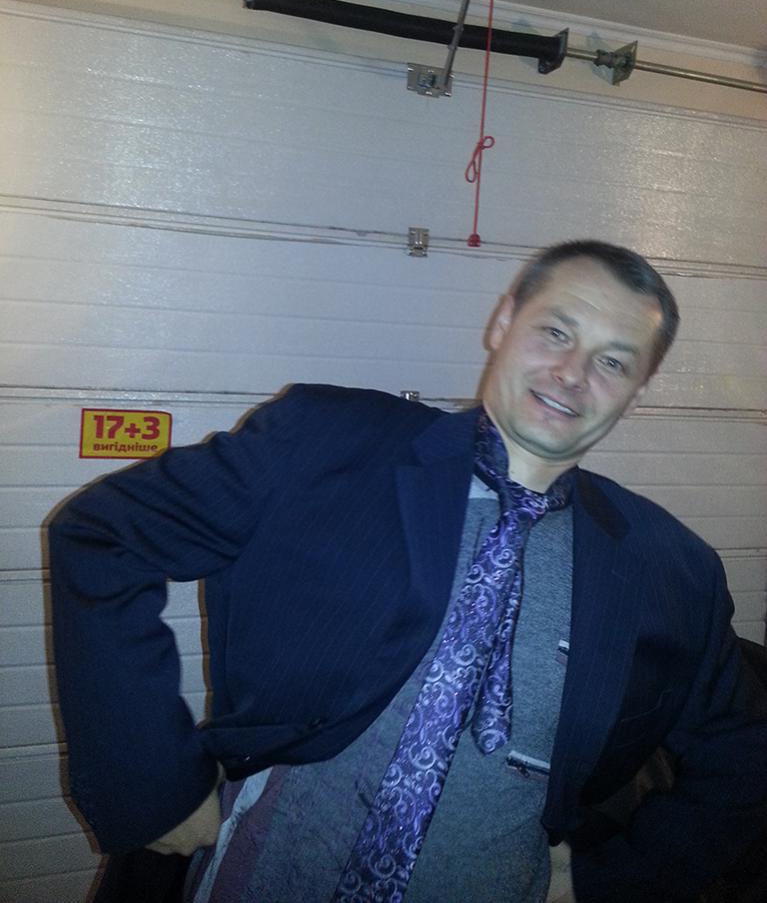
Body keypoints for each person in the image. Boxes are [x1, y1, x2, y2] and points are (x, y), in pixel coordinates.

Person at [49, 240, 767, 903]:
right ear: (503, 322)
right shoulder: (327, 442)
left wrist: (612, 878)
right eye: (556, 331)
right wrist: (151, 781)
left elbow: (744, 754)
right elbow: (106, 534)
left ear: (637, 392)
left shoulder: (671, 568)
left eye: (613, 362)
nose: (572, 373)